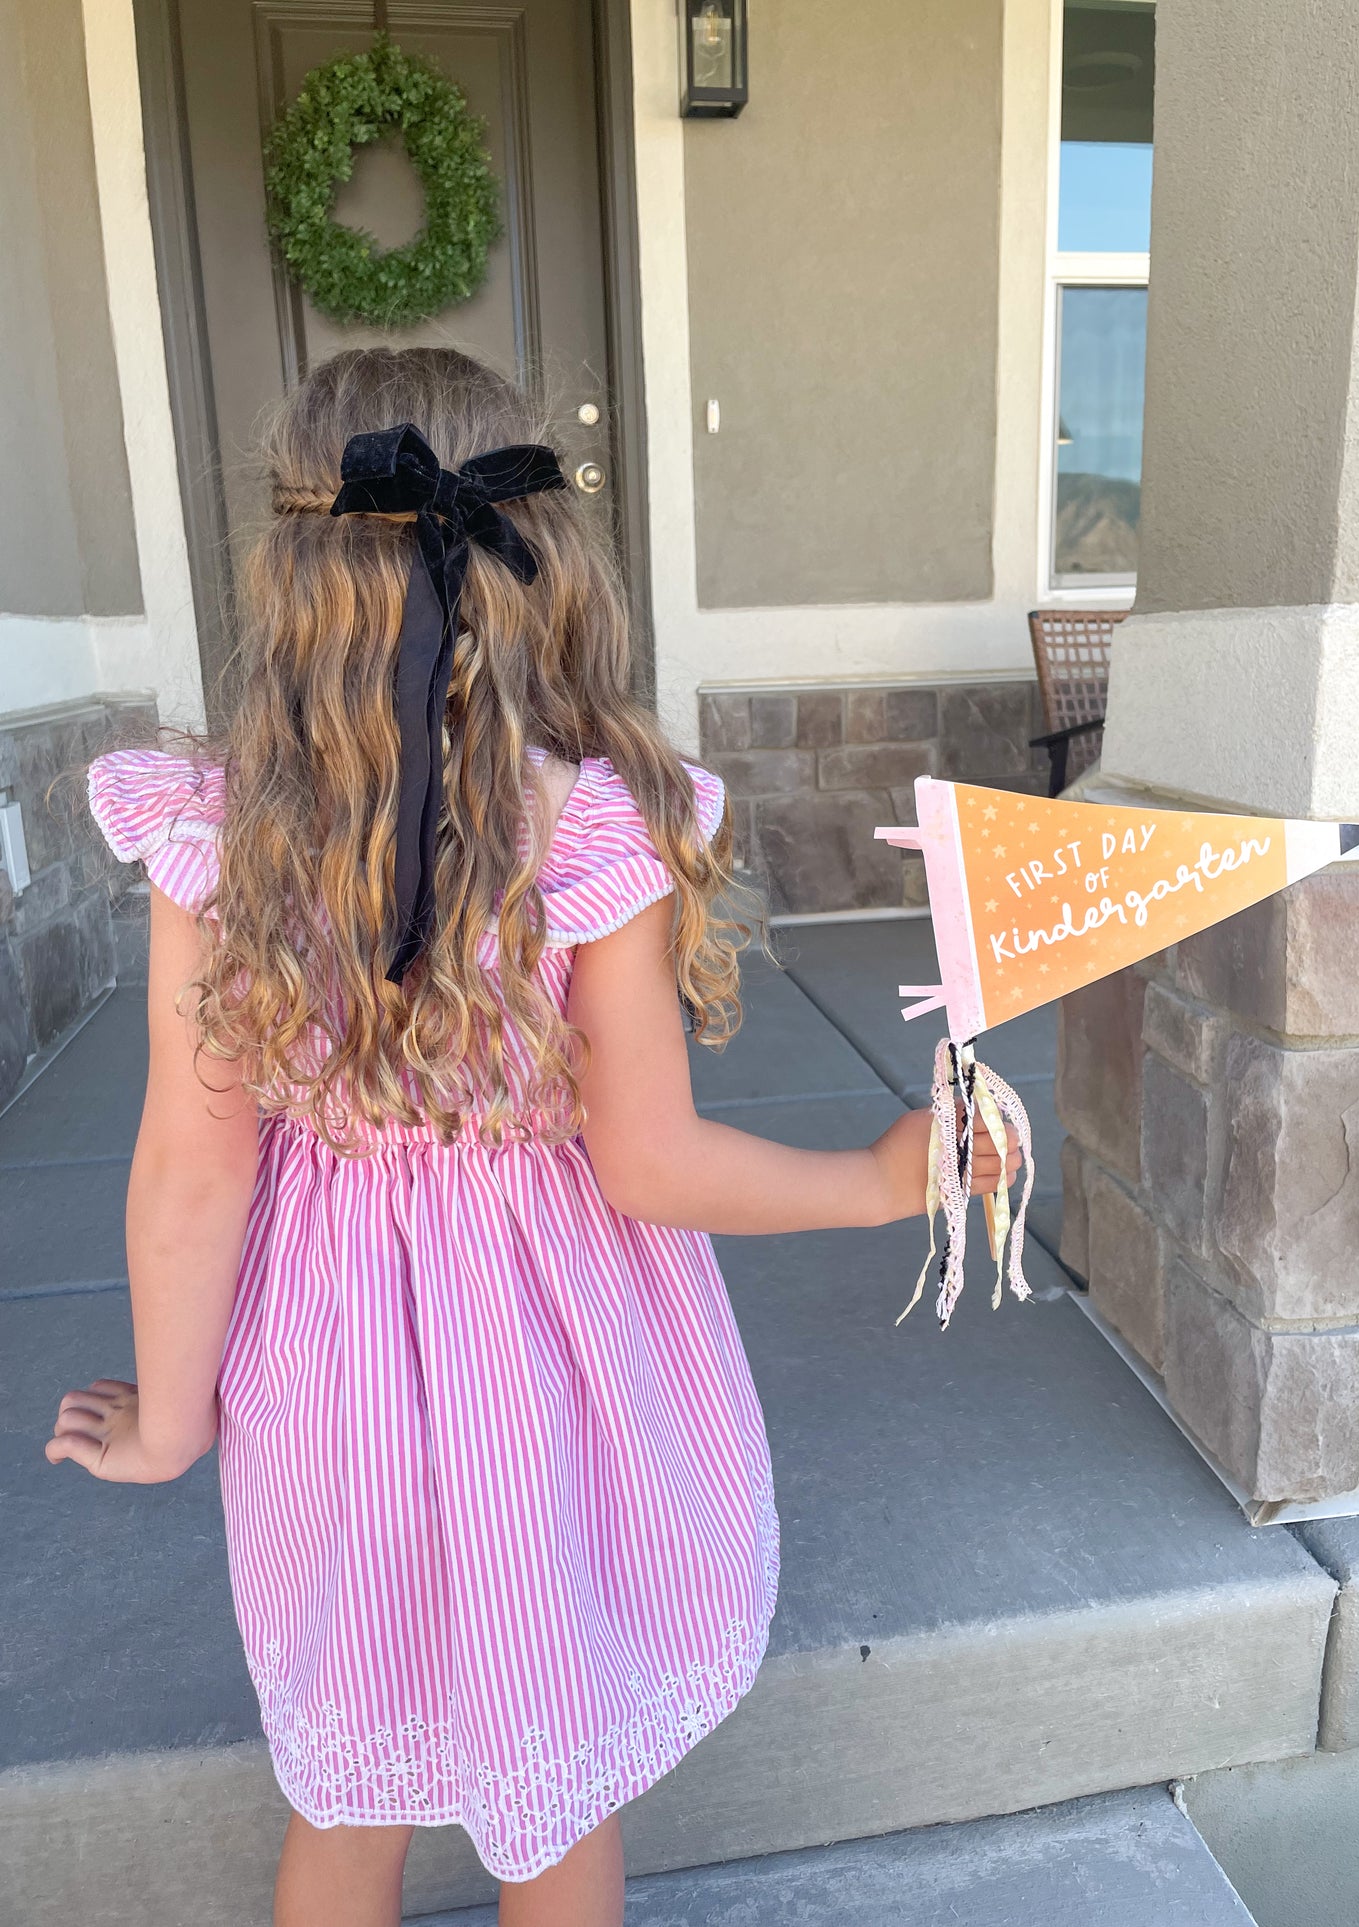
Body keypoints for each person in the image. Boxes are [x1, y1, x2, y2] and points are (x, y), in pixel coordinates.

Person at [46, 347, 1020, 1927]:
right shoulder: (591, 829)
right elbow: (647, 1164)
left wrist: (170, 1415)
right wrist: (870, 1175)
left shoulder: (215, 835)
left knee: (343, 1792)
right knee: (551, 1791)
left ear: (291, 573)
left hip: (324, 1362)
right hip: (549, 1360)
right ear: (545, 563)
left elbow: (190, 1167)